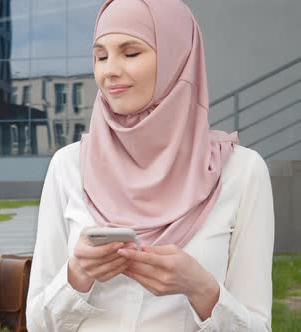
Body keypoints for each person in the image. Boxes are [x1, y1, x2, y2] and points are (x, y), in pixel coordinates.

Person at [26, 0, 274, 331]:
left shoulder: (241, 173)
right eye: (101, 56)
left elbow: (257, 325)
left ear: (177, 59)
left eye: (130, 53)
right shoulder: (69, 166)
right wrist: (79, 274)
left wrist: (200, 288)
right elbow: (38, 323)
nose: (109, 70)